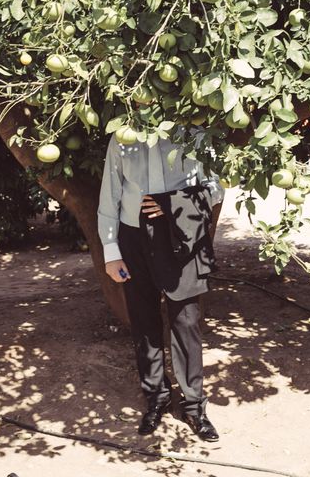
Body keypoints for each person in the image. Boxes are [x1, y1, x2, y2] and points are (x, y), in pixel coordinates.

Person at [97, 129, 223, 441]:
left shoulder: (193, 133)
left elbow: (215, 187)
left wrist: (172, 205)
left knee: (186, 322)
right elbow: (110, 195)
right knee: (143, 321)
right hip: (133, 236)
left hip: (179, 235)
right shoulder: (121, 138)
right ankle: (156, 397)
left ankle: (194, 406)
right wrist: (112, 253)